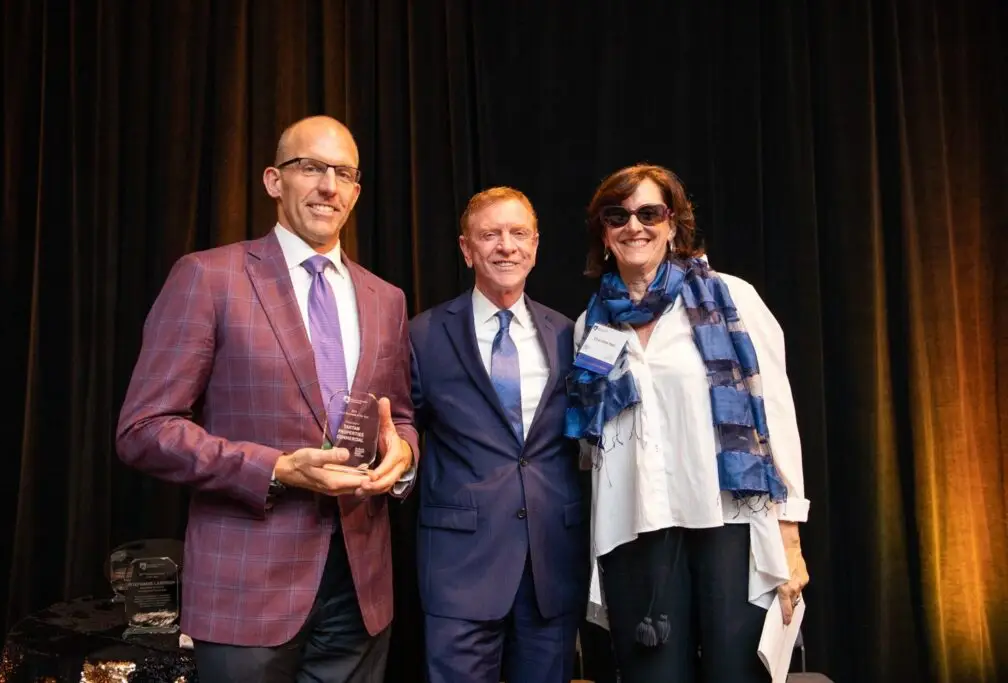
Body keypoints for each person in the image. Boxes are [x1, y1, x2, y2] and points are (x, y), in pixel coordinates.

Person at [116, 115, 418, 683]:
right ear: (274, 180)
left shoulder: (387, 298)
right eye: (312, 167)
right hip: (246, 589)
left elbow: (399, 414)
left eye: (344, 173)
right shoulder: (209, 276)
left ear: (356, 190)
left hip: (361, 588)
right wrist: (275, 468)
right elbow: (144, 429)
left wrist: (403, 452)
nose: (329, 185)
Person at [566, 164, 810, 683]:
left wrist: (789, 535)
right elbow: (592, 446)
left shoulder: (730, 298)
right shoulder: (592, 324)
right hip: (635, 527)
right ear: (604, 233)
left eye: (649, 212)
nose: (635, 226)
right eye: (618, 215)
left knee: (733, 673)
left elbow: (778, 419)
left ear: (672, 223)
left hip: (728, 521)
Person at [408, 187, 589, 683]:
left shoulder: (571, 335)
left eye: (518, 233)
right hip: (458, 570)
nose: (505, 246)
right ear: (467, 249)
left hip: (552, 564)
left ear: (535, 245)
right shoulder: (422, 335)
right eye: (490, 234)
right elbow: (403, 430)